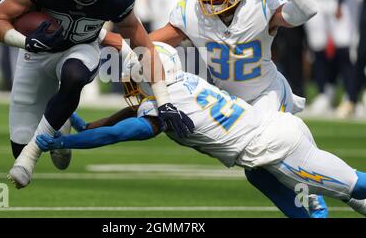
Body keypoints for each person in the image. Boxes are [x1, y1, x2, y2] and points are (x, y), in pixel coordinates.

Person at [36, 42, 366, 218]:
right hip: (273, 134)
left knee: (356, 185)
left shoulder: (158, 106)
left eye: (137, 76)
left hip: (278, 148)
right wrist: (81, 124)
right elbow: (123, 117)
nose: (132, 83)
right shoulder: (182, 84)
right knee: (257, 174)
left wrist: (62, 142)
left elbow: (118, 134)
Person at [0, 0, 194, 189]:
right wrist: (26, 41)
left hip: (82, 48)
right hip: (37, 53)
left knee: (75, 76)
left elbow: (145, 46)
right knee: (18, 144)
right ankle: (56, 127)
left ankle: (33, 152)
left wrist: (163, 101)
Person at [146, 0, 330, 216]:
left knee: (271, 164)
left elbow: (307, 10)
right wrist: (111, 42)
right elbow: (146, 43)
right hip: (233, 102)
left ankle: (320, 199)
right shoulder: (192, 13)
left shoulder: (261, 5)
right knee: (258, 172)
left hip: (268, 95)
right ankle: (317, 202)